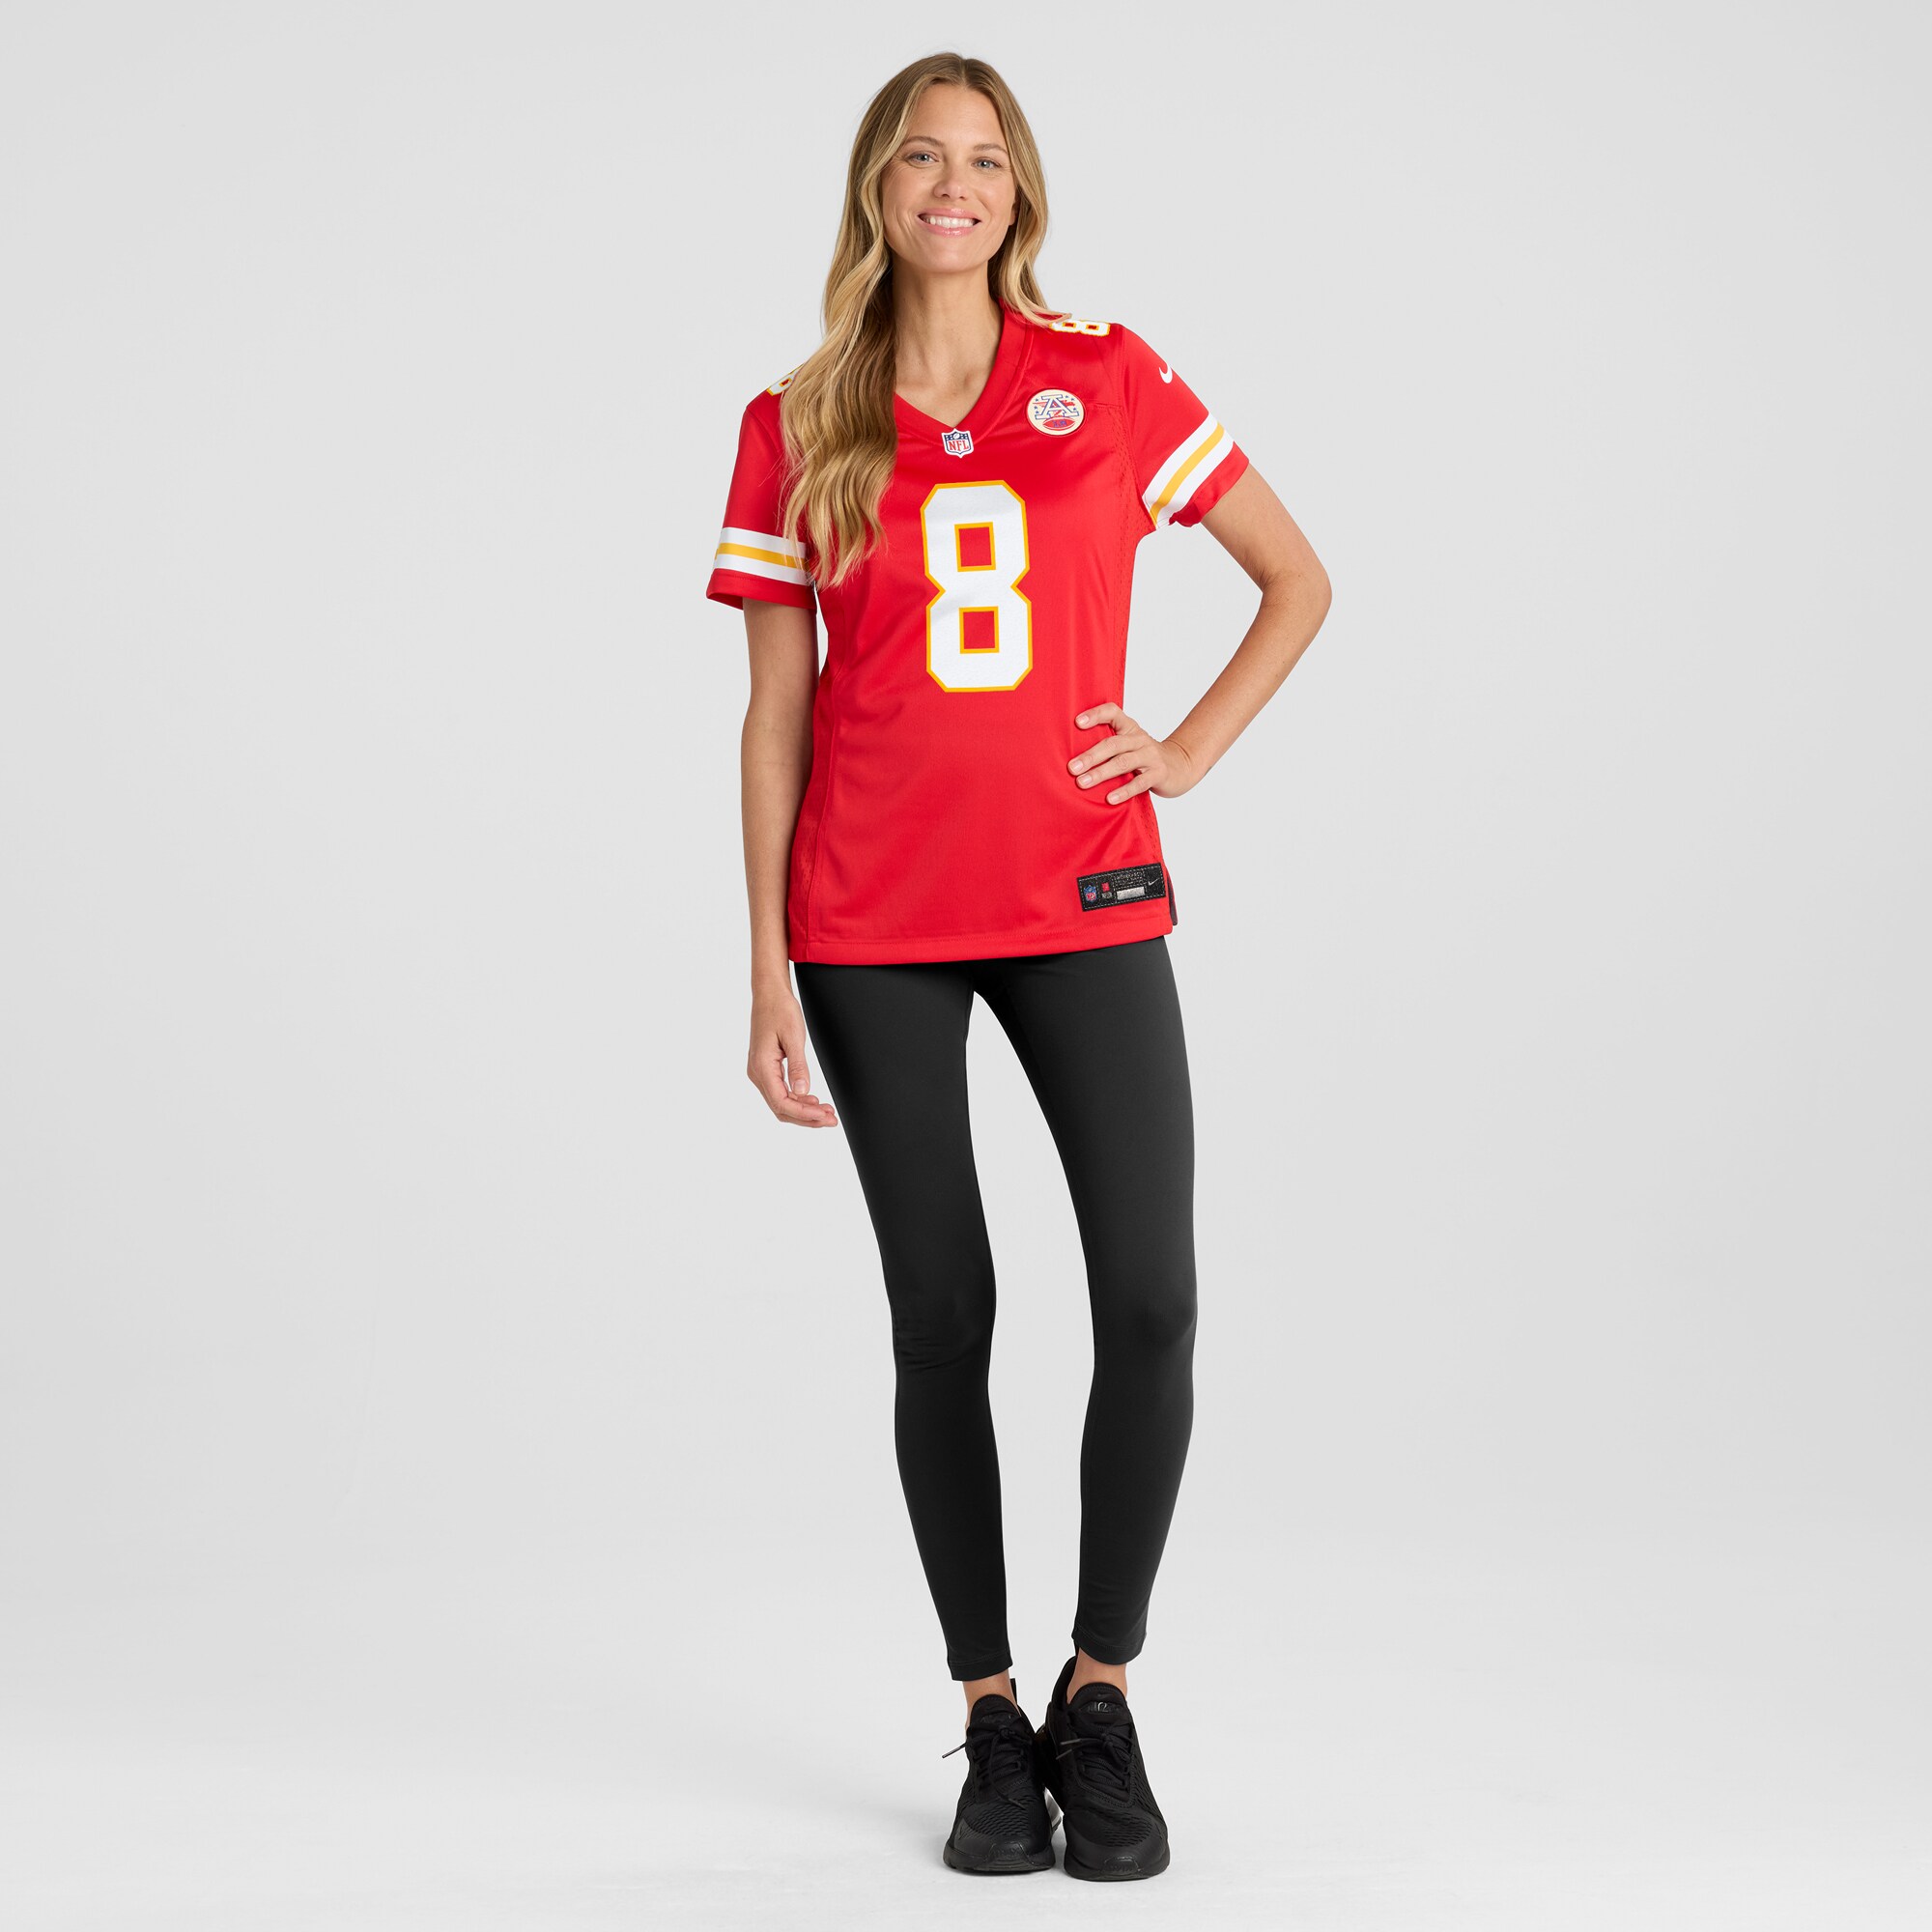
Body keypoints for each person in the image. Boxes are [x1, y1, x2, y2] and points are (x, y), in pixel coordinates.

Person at [706, 51, 1330, 1879]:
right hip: (871, 921)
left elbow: (1295, 577)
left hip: (1083, 894)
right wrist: (766, 965)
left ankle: (1099, 1694)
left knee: (1153, 1298)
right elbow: (774, 715)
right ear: (877, 188)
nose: (953, 185)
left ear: (1019, 192)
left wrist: (1185, 749)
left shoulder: (1109, 376)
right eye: (922, 156)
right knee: (946, 1313)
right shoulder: (797, 419)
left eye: (984, 159)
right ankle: (990, 1716)